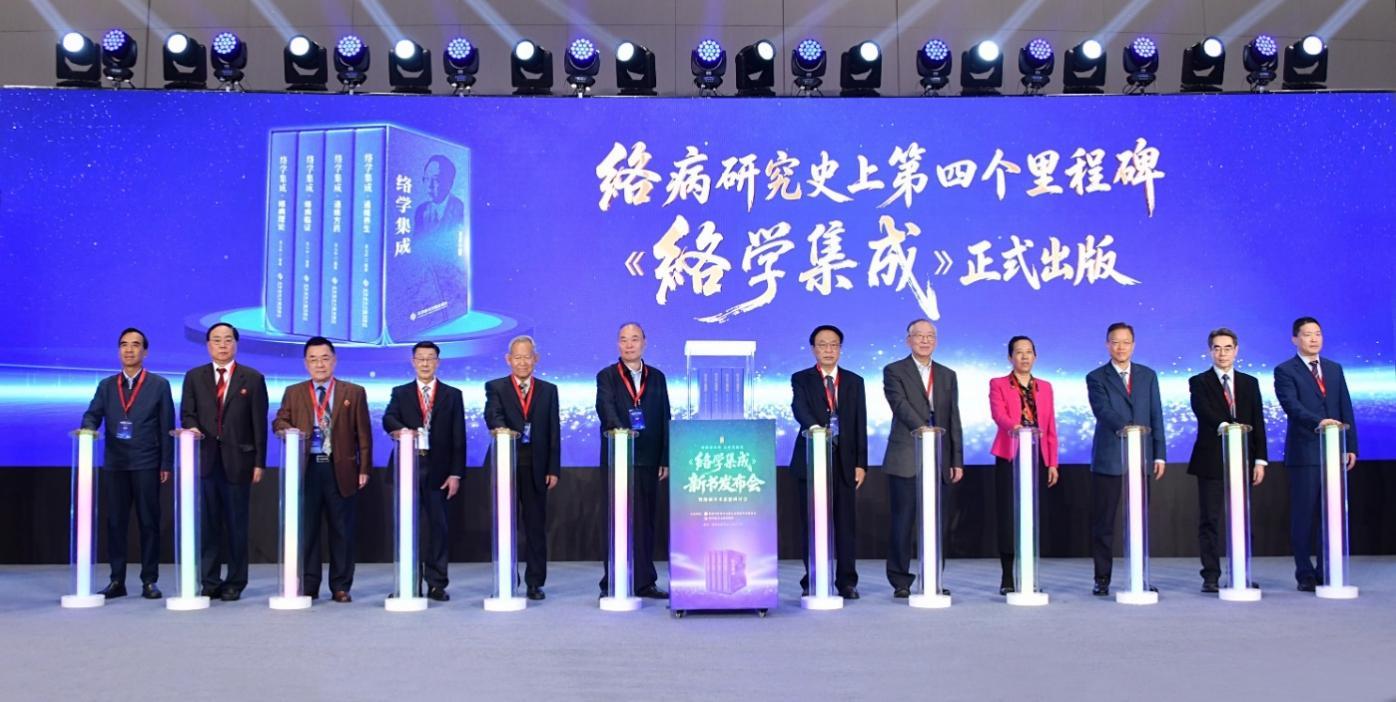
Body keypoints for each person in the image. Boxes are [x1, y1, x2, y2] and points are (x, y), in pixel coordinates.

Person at [272, 337, 372, 603]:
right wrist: (287, 429)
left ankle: (341, 586)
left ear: (334, 360)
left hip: (341, 468)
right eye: (313, 359)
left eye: (325, 358)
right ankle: (309, 584)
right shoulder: (294, 392)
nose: (319, 364)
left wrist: (364, 468)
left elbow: (363, 434)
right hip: (307, 469)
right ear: (306, 363)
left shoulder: (353, 392)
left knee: (342, 530)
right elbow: (279, 420)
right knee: (308, 530)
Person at [81, 328, 173, 599]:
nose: (129, 350)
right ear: (119, 350)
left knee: (148, 523)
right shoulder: (106, 385)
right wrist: (87, 430)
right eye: (124, 345)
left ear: (145, 351)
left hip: (146, 462)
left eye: (135, 345)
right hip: (116, 464)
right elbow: (92, 414)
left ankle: (149, 581)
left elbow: (166, 426)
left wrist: (166, 463)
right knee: (115, 523)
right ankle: (116, 581)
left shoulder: (159, 385)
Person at [180, 322, 268, 602]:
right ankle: (209, 580)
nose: (222, 345)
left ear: (235, 344)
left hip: (239, 462)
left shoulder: (252, 378)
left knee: (236, 525)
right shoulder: (194, 377)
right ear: (208, 345)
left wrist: (259, 462)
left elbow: (259, 424)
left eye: (227, 339)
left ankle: (235, 582)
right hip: (206, 460)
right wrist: (192, 428)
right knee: (208, 525)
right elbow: (187, 413)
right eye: (216, 340)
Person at [1273, 316, 1357, 592]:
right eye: (1307, 334)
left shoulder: (1334, 369)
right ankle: (1305, 573)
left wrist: (1350, 445)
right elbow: (1291, 406)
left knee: (1330, 514)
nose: (1314, 339)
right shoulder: (1285, 370)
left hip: (1334, 452)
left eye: (1318, 333)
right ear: (1295, 339)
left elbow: (1345, 407)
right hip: (1304, 453)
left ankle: (1326, 569)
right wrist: (1319, 422)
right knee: (1304, 516)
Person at [883, 319, 963, 599]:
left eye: (930, 336)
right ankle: (900, 580)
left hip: (939, 457)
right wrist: (924, 429)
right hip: (906, 454)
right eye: (919, 336)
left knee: (937, 523)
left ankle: (933, 578)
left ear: (936, 341)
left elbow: (953, 418)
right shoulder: (894, 370)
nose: (925, 340)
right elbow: (899, 405)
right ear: (909, 340)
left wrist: (957, 459)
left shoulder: (948, 374)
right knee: (903, 521)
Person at [1085, 322, 1166, 596]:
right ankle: (1102, 579)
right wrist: (1130, 429)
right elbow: (1103, 411)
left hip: (1141, 457)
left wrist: (1160, 454)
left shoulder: (1148, 375)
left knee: (1139, 522)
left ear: (1133, 345)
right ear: (1107, 344)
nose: (1121, 347)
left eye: (1126, 342)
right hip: (1109, 458)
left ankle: (1139, 576)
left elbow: (1156, 414)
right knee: (1104, 523)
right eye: (1115, 342)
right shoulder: (1096, 377)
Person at [789, 324, 868, 599]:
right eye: (822, 344)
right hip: (811, 460)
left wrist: (861, 463)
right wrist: (817, 431)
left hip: (844, 463)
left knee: (845, 525)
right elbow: (799, 408)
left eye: (833, 344)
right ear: (813, 349)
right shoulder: (801, 378)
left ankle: (846, 582)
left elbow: (859, 423)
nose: (828, 349)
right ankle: (812, 579)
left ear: (840, 349)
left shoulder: (855, 381)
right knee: (811, 524)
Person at [382, 341, 465, 601]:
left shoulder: (452, 394)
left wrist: (455, 473)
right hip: (408, 466)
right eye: (421, 358)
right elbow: (388, 418)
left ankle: (436, 584)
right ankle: (408, 583)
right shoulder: (401, 392)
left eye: (430, 358)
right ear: (413, 362)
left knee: (438, 528)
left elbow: (458, 437)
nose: (425, 363)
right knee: (407, 527)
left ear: (437, 362)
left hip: (439, 469)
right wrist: (403, 430)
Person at [1187, 328, 1268, 593]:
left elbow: (1258, 421)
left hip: (1243, 461)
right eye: (1217, 348)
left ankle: (1241, 572)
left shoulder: (1250, 383)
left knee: (1242, 519)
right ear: (1210, 351)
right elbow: (1203, 411)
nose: (1222, 353)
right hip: (1211, 461)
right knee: (1210, 520)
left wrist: (1260, 460)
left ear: (1236, 350)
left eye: (1228, 348)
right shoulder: (1199, 381)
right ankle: (1210, 576)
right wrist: (1226, 426)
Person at [595, 322, 670, 599]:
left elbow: (665, 416)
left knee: (646, 522)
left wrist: (665, 457)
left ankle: (645, 582)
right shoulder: (607, 376)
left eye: (634, 339)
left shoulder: (657, 377)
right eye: (624, 339)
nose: (629, 344)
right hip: (618, 457)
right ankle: (612, 583)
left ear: (644, 343)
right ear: (618, 344)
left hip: (649, 459)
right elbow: (605, 409)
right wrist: (622, 435)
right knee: (615, 521)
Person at [484, 336, 561, 600]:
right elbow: (492, 415)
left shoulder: (549, 390)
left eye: (527, 357)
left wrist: (553, 468)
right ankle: (507, 579)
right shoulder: (495, 387)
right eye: (517, 357)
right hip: (506, 463)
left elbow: (553, 431)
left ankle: (535, 582)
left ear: (535, 359)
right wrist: (504, 430)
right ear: (509, 360)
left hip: (537, 466)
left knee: (535, 526)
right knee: (505, 524)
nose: (522, 362)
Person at [987, 335, 1060, 596]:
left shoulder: (1045, 387)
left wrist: (1052, 462)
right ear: (1010, 357)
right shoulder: (998, 383)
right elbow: (999, 415)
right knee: (1008, 516)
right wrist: (1017, 428)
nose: (1025, 356)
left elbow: (1050, 426)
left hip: (1037, 457)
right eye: (1019, 352)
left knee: (1032, 515)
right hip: (1010, 455)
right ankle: (1007, 575)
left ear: (1035, 357)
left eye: (1029, 352)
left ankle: (1029, 573)